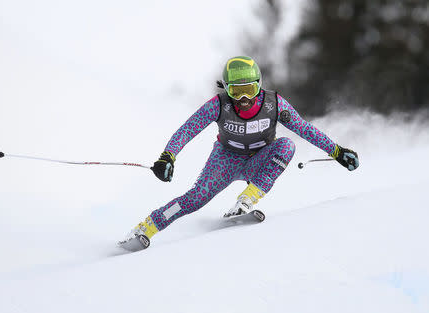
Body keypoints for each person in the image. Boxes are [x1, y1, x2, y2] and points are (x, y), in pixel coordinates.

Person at [119, 56, 359, 250]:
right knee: (193, 200)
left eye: (249, 90)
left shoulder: (274, 104)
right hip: (224, 161)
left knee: (287, 146)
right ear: (226, 89)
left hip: (259, 160)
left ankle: (247, 199)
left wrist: (336, 151)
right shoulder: (219, 105)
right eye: (236, 91)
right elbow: (187, 130)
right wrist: (167, 157)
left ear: (259, 86)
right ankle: (146, 227)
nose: (243, 98)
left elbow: (304, 128)